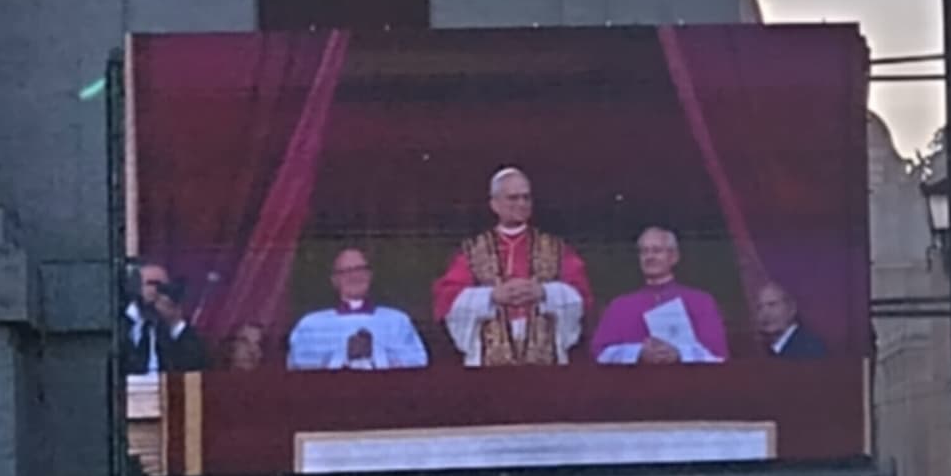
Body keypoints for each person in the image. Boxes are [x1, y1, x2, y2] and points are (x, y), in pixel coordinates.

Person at [432, 168, 591, 366]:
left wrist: (544, 292)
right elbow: (448, 298)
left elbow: (581, 296)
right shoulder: (473, 250)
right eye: (513, 198)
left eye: (526, 198)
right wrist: (491, 296)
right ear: (494, 204)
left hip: (545, 358)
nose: (522, 204)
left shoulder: (556, 248)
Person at [593, 227, 729, 364]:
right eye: (644, 251)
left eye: (657, 251)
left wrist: (679, 353)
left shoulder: (701, 302)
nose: (649, 257)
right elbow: (600, 354)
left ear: (674, 257)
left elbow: (717, 355)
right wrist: (639, 352)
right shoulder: (620, 306)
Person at [287, 249, 428, 370]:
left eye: (360, 269)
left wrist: (374, 352)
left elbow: (417, 363)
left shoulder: (397, 321)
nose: (354, 276)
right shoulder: (312, 324)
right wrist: (344, 353)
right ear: (334, 280)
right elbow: (300, 368)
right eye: (346, 271)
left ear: (370, 275)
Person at [123, 264, 210, 373]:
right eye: (152, 284)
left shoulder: (165, 327)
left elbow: (196, 362)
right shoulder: (122, 322)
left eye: (164, 286)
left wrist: (174, 322)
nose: (158, 291)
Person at [754, 282, 828, 358]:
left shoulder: (809, 347)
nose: (765, 313)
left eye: (772, 304)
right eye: (759, 307)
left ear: (792, 308)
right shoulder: (768, 351)